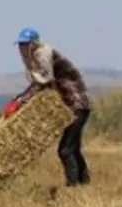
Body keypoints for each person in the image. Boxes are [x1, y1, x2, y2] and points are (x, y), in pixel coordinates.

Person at [11, 27, 92, 187]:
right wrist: (20, 98)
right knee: (73, 148)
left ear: (34, 43)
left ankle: (73, 186)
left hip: (76, 104)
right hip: (75, 105)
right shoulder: (37, 55)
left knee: (65, 150)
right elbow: (39, 83)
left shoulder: (43, 54)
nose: (22, 48)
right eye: (20, 44)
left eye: (25, 44)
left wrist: (21, 101)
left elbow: (45, 82)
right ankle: (84, 184)